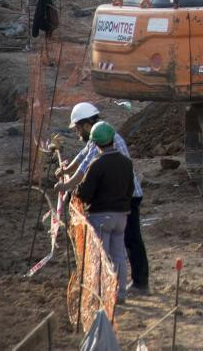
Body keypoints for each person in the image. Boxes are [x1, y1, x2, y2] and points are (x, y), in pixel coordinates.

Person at [58, 102, 150, 295]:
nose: (77, 133)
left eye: (77, 128)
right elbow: (83, 157)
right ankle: (124, 287)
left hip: (127, 196)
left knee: (131, 241)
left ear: (85, 125)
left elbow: (86, 168)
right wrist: (66, 170)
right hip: (122, 194)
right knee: (122, 243)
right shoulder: (100, 135)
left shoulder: (106, 138)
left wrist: (66, 185)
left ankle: (140, 284)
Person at [74, 121, 134, 303]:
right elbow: (130, 189)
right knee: (119, 256)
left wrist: (76, 190)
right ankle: (120, 294)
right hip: (121, 216)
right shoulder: (126, 163)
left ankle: (102, 295)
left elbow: (85, 193)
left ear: (96, 143)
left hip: (100, 217)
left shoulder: (96, 164)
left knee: (101, 257)